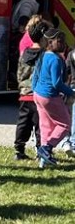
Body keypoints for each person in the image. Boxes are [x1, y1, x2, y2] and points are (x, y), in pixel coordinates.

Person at [33, 28, 75, 167]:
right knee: (65, 124)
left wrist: (34, 91)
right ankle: (46, 148)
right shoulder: (56, 60)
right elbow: (57, 83)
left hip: (38, 95)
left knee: (45, 126)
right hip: (50, 96)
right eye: (60, 41)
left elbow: (36, 75)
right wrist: (71, 92)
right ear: (50, 42)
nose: (64, 43)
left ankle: (44, 160)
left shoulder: (45, 55)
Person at [14, 20, 50, 160]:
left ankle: (19, 150)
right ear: (43, 37)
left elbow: (19, 74)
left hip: (24, 95)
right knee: (41, 125)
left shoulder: (24, 54)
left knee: (23, 123)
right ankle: (41, 151)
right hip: (39, 96)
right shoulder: (44, 56)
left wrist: (22, 87)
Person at [60, 48, 75, 157]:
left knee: (68, 116)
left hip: (71, 88)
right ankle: (73, 143)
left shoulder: (71, 53)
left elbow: (66, 70)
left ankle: (66, 141)